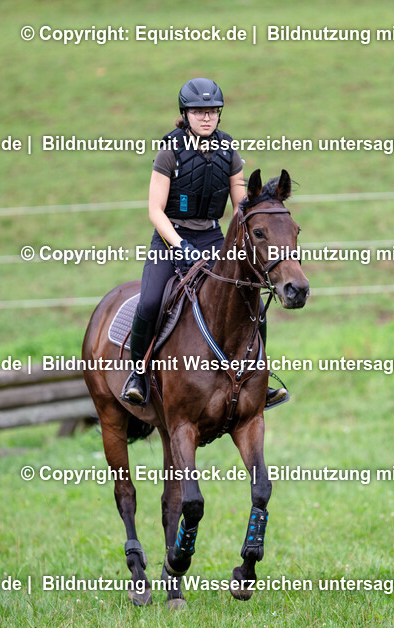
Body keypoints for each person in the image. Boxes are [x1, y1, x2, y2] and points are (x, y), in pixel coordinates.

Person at [120, 77, 288, 409]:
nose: (206, 117)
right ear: (186, 114)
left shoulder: (229, 152)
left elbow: (242, 208)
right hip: (170, 238)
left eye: (212, 111)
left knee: (251, 301)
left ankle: (259, 377)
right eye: (199, 112)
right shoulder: (170, 151)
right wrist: (179, 245)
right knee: (151, 302)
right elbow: (155, 209)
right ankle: (138, 375)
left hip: (212, 238)